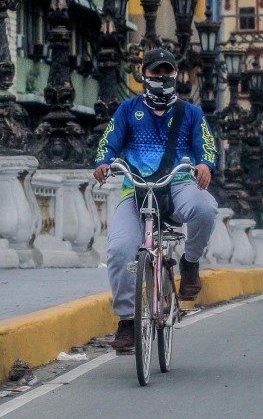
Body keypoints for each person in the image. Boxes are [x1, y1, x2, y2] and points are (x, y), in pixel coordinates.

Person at [93, 48, 218, 353]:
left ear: (175, 76)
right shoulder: (127, 110)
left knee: (206, 208)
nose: (161, 78)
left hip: (177, 183)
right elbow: (109, 141)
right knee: (121, 250)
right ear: (144, 76)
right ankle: (127, 320)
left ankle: (189, 264)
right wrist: (103, 162)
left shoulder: (191, 113)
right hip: (134, 188)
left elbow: (207, 146)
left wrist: (205, 165)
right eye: (155, 73)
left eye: (167, 73)